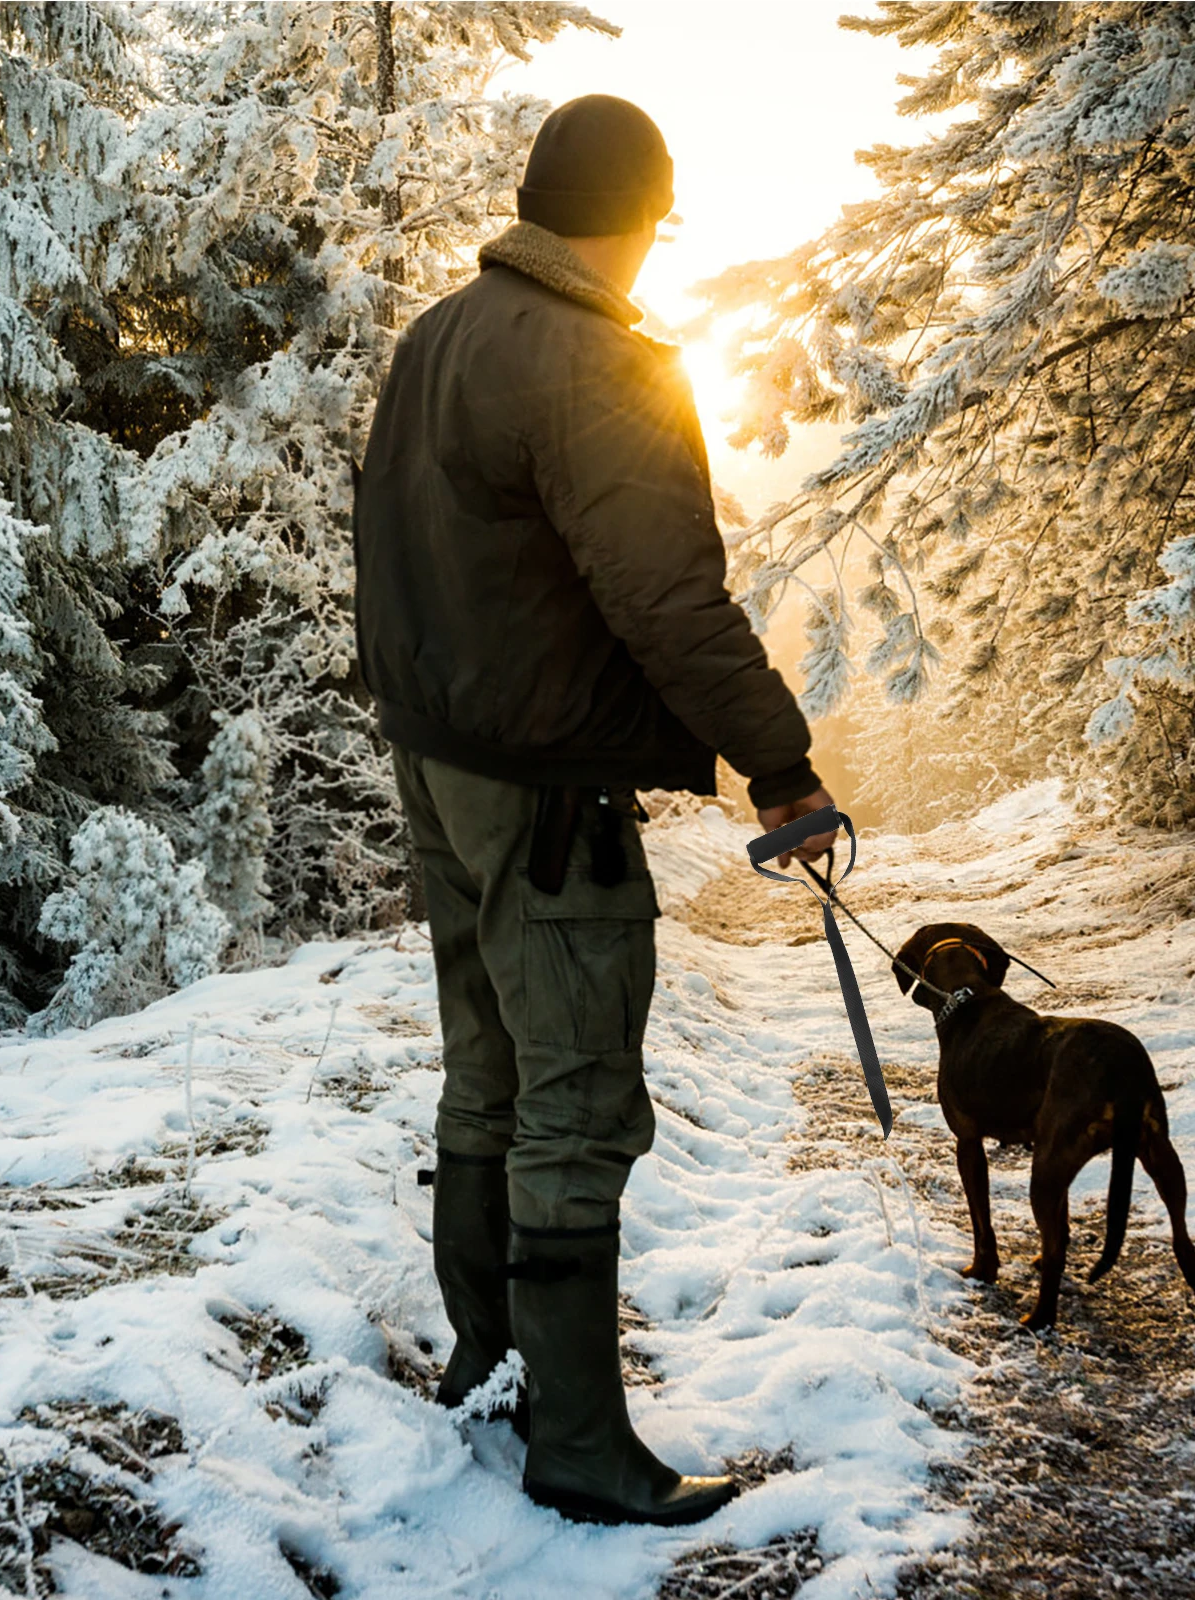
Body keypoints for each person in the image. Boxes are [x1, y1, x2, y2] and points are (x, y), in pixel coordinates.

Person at [352, 94, 836, 1528]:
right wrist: (781, 762)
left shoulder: (437, 335)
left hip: (437, 760)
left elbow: (383, 537)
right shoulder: (593, 359)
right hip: (546, 789)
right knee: (577, 1097)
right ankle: (574, 1441)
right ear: (638, 217)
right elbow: (670, 600)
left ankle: (491, 1364)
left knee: (487, 1066)